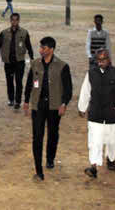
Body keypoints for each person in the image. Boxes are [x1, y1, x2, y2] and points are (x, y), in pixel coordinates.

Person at [23, 37, 73, 181]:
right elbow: (29, 84)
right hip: (38, 106)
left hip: (54, 106)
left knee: (52, 133)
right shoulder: (35, 64)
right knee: (37, 137)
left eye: (43, 48)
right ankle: (38, 170)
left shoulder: (62, 66)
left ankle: (50, 158)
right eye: (40, 47)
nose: (40, 50)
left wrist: (64, 103)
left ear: (51, 49)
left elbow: (68, 88)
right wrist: (26, 101)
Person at [78, 49, 115, 179]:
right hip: (96, 114)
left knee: (111, 141)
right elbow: (85, 91)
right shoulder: (91, 74)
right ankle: (93, 167)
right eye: (99, 60)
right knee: (94, 142)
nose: (101, 63)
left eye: (104, 60)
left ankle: (111, 160)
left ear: (109, 59)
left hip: (112, 115)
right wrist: (82, 107)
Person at [0, 13, 34, 109]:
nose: (14, 22)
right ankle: (11, 99)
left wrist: (31, 57)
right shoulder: (4, 32)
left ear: (19, 21)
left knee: (19, 81)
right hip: (8, 61)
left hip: (19, 61)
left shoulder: (24, 33)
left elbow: (29, 45)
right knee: (9, 81)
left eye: (16, 20)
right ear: (10, 21)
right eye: (13, 20)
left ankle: (18, 101)